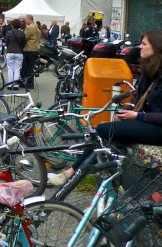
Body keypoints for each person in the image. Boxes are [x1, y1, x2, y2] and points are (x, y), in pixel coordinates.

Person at [50, 30, 162, 186]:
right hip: (146, 123)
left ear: (156, 47)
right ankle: (106, 185)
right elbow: (137, 98)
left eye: (144, 44)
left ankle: (72, 173)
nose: (140, 47)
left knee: (103, 129)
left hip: (157, 127)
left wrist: (137, 116)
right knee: (108, 138)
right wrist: (126, 111)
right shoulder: (149, 70)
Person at [5, 19, 25, 90]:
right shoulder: (22, 33)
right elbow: (24, 44)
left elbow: (6, 43)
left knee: (10, 69)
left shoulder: (9, 33)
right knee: (17, 69)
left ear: (12, 25)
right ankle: (16, 85)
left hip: (10, 52)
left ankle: (10, 85)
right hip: (19, 52)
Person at [21, 14, 40, 89]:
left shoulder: (30, 27)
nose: (25, 21)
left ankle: (29, 83)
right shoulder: (36, 27)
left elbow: (24, 37)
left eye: (26, 20)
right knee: (30, 67)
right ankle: (29, 82)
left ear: (28, 19)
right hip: (35, 48)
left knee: (28, 67)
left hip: (29, 49)